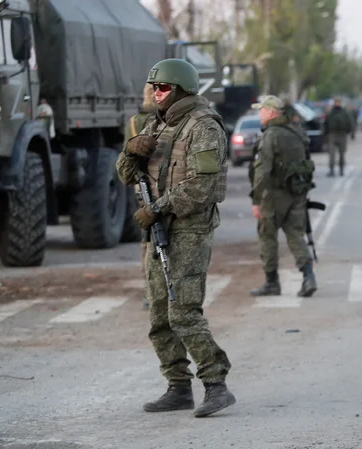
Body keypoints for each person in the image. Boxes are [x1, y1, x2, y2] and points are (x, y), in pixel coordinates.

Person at [115, 58, 236, 418]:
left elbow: (203, 186)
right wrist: (130, 151)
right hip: (158, 228)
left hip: (188, 227)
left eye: (163, 87)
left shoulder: (204, 127)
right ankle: (178, 386)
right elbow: (125, 175)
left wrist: (159, 208)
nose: (156, 93)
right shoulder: (157, 123)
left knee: (183, 311)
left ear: (182, 89)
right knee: (158, 314)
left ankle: (216, 384)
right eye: (153, 87)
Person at [248, 95, 318, 298]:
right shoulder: (296, 131)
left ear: (270, 112)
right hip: (297, 194)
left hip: (273, 196)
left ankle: (272, 283)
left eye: (261, 110)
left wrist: (256, 200)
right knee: (296, 235)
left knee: (267, 237)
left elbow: (262, 172)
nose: (259, 114)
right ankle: (308, 277)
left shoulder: (271, 135)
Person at [123, 83, 157, 311]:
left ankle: (150, 291)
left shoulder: (134, 122)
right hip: (164, 185)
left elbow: (128, 157)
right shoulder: (166, 121)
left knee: (148, 240)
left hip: (142, 187)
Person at [324, 96, 354, 177]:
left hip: (342, 134)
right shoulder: (330, 112)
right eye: (336, 102)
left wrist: (351, 133)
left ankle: (341, 169)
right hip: (332, 134)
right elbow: (326, 124)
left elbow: (350, 122)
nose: (337, 103)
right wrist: (325, 135)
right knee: (332, 154)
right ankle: (331, 170)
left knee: (342, 154)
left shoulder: (344, 112)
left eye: (339, 102)